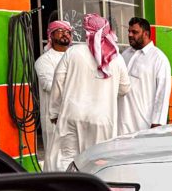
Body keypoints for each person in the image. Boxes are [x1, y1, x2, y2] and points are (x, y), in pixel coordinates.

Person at [47, 14, 131, 170]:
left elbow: (58, 82)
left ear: (88, 32)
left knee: (67, 160)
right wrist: (107, 90)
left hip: (72, 115)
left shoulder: (73, 52)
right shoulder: (116, 58)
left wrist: (54, 112)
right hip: (102, 119)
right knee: (97, 163)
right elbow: (125, 88)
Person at [118, 17, 171, 135]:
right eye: (129, 31)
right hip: (121, 119)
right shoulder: (125, 54)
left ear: (146, 34)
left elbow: (162, 93)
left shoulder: (158, 58)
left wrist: (158, 122)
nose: (130, 35)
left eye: (135, 32)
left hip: (143, 122)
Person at [35, 19, 72, 171]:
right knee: (54, 156)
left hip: (73, 115)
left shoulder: (74, 56)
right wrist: (77, 87)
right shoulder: (44, 61)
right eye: (61, 31)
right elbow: (49, 85)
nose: (65, 35)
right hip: (54, 118)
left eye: (68, 32)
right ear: (51, 35)